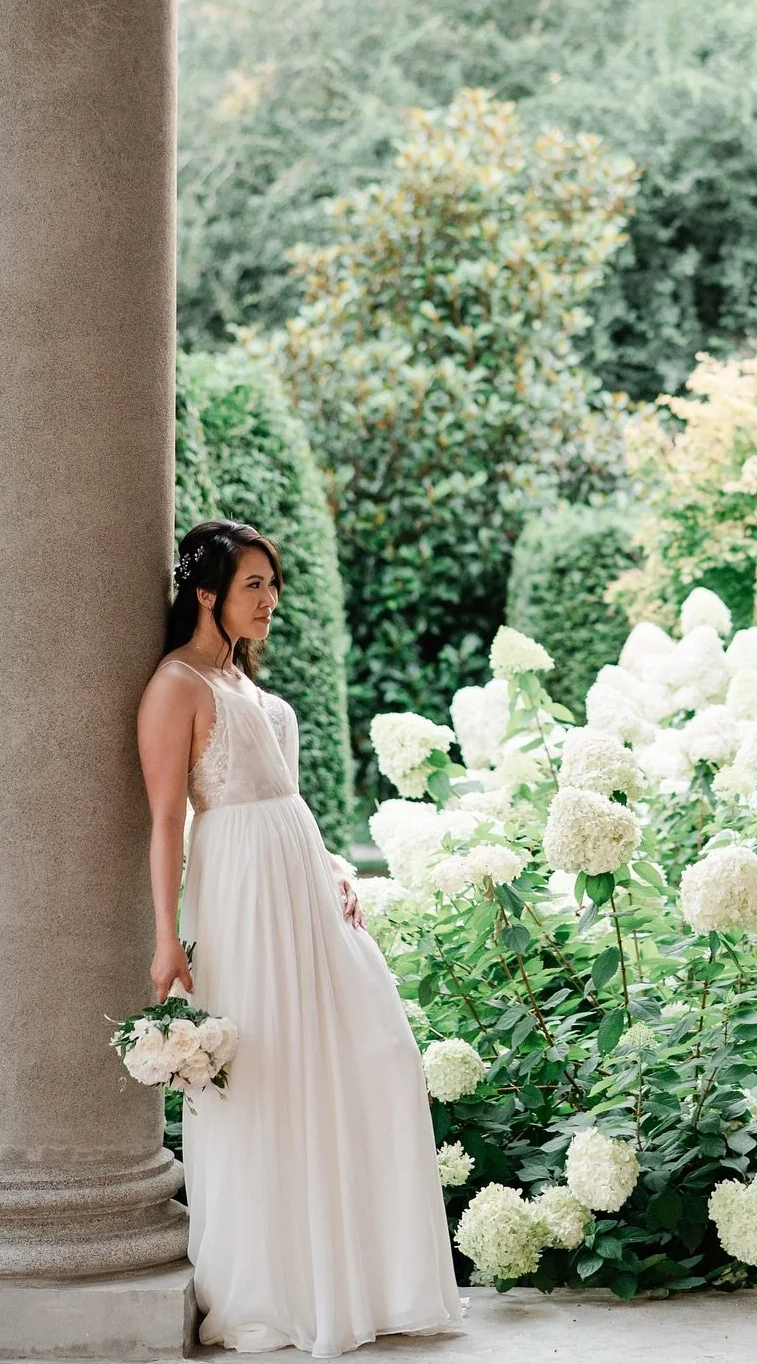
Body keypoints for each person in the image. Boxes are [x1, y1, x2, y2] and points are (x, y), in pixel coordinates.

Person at [137, 519, 462, 1356]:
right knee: (267, 1079)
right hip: (241, 896)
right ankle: (278, 1288)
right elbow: (166, 819)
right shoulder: (176, 686)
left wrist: (330, 864)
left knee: (375, 1056)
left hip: (304, 890)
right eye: (254, 585)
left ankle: (361, 1279)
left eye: (273, 585)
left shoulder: (243, 682)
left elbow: (284, 793)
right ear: (205, 593)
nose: (271, 599)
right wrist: (167, 938)